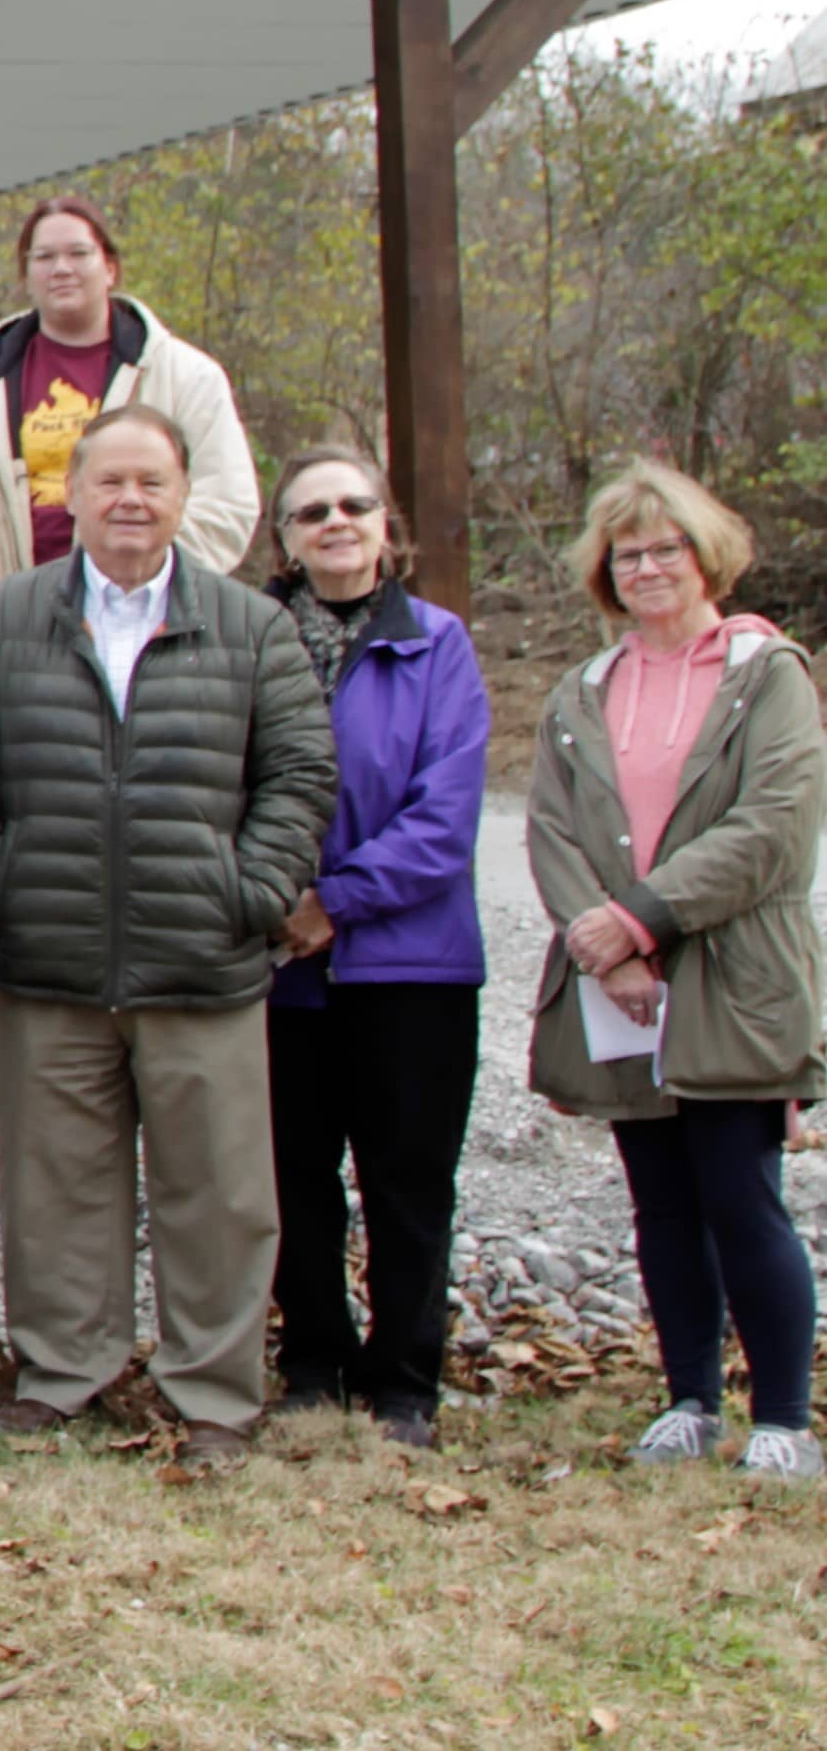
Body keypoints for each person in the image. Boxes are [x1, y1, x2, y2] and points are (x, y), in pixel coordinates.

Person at [0, 404, 330, 1472]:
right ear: (70, 492)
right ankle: (62, 1373)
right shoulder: (0, 618)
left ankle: (214, 1392)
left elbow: (299, 773)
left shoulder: (251, 626)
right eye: (107, 481)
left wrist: (248, 890)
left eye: (150, 484)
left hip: (199, 961)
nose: (128, 501)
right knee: (54, 1183)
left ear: (180, 496)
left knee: (218, 1192)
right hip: (49, 957)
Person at [527, 460, 825, 1480]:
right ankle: (689, 1400)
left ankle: (781, 1418)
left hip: (735, 974)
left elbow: (772, 830)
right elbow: (553, 829)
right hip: (619, 989)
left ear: (708, 559)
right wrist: (597, 942)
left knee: (741, 1195)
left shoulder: (766, 675)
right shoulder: (584, 689)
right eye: (627, 552)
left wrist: (637, 921)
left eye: (666, 549)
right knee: (660, 1204)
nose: (647, 566)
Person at [259, 444, 488, 1452]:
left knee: (404, 1181)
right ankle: (312, 1362)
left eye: (355, 505)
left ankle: (403, 1380)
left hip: (410, 968)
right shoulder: (252, 640)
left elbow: (444, 817)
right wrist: (274, 903)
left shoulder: (437, 646)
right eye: (312, 512)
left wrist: (334, 904)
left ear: (385, 525)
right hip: (279, 967)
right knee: (291, 1179)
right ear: (285, 538)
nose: (336, 523)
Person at [0, 195, 259, 607]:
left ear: (110, 269)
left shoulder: (185, 376)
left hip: (148, 620)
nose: (61, 268)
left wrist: (145, 580)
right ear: (26, 277)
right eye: (44, 257)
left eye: (78, 253)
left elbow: (227, 501)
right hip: (12, 628)